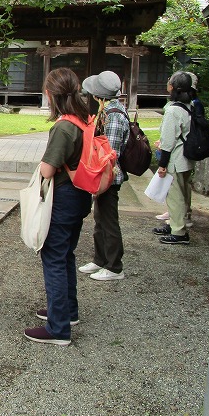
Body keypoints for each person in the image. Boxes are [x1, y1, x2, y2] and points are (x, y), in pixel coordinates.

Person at [25, 67, 93, 346]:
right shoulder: (85, 120)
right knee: (65, 255)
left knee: (53, 257)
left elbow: (48, 169)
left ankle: (58, 328)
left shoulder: (64, 127)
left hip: (63, 198)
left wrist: (44, 164)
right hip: (80, 196)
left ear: (50, 94)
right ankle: (67, 312)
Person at [77, 71, 129, 281]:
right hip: (103, 177)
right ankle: (100, 259)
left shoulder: (113, 115)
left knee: (108, 221)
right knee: (100, 219)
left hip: (109, 178)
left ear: (99, 95)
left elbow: (110, 154)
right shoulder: (107, 111)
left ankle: (114, 266)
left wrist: (97, 178)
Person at [152, 71, 195, 245]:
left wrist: (162, 165)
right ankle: (175, 224)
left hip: (176, 159)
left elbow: (168, 142)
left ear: (172, 87)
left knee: (174, 195)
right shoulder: (190, 106)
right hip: (187, 157)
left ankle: (179, 231)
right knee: (182, 193)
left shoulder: (173, 110)